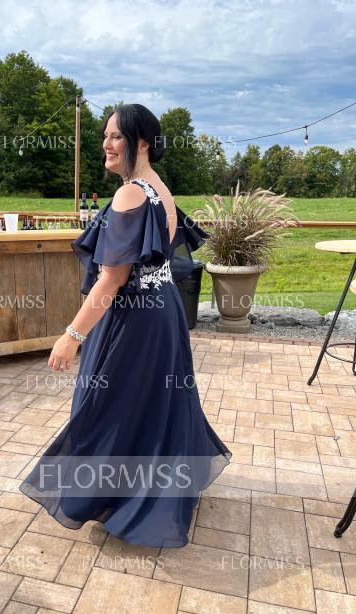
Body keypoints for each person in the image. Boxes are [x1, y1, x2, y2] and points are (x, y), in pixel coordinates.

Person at [19, 104, 232, 548]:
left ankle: (112, 500)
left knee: (108, 405)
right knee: (150, 404)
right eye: (105, 135)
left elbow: (111, 279)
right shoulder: (159, 189)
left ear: (142, 143)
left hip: (133, 318)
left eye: (116, 136)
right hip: (162, 312)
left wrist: (71, 336)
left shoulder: (131, 194)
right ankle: (143, 494)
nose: (106, 144)